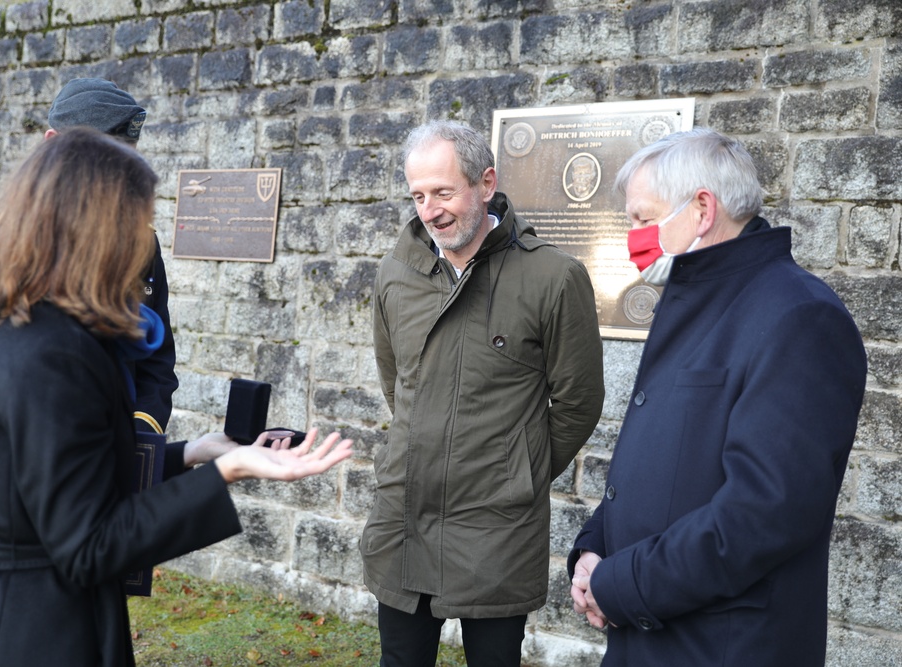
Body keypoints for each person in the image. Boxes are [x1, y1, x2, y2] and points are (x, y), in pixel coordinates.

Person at [0, 128, 354, 667]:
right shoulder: (50, 355)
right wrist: (229, 469)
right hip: (20, 630)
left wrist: (193, 453)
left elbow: (59, 476)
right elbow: (89, 544)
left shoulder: (8, 322)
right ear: (96, 228)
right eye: (135, 219)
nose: (142, 237)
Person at [568, 128, 867, 665]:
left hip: (723, 647)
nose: (633, 235)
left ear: (702, 209)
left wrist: (621, 584)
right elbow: (662, 462)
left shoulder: (798, 316)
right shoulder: (695, 304)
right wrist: (595, 548)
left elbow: (763, 513)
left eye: (642, 218)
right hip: (649, 637)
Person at [363, 120, 605, 666]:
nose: (430, 210)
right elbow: (396, 382)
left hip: (497, 523)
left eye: (444, 192)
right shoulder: (396, 272)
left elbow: (579, 401)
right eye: (419, 195)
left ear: (486, 182)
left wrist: (517, 467)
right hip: (406, 511)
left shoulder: (554, 276)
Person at [0, 77, 177, 436]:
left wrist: (136, 440)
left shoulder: (139, 241)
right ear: (53, 144)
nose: (117, 175)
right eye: (105, 155)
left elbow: (155, 365)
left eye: (127, 156)